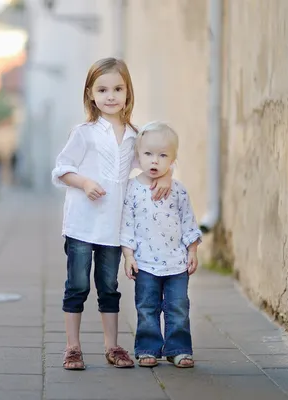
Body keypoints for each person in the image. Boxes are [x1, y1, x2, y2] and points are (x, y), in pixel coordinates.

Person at [51, 57, 173, 370]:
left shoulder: (135, 136)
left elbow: (153, 162)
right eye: (102, 89)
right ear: (90, 94)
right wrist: (84, 182)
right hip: (81, 225)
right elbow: (62, 169)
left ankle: (112, 346)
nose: (110, 95)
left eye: (117, 88)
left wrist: (167, 177)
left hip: (112, 228)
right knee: (77, 286)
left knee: (109, 288)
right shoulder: (85, 132)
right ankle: (72, 347)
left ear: (127, 94)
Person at [120, 121, 202, 368]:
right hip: (145, 263)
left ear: (173, 160)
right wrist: (128, 256)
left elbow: (188, 221)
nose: (154, 161)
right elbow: (127, 224)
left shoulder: (177, 190)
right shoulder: (133, 189)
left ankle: (178, 348)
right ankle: (148, 348)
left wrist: (193, 251)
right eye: (148, 154)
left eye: (162, 155)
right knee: (147, 307)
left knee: (178, 308)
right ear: (138, 156)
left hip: (176, 263)